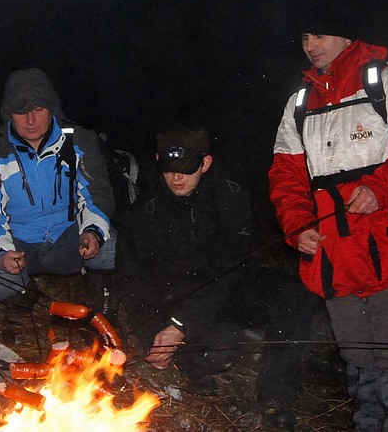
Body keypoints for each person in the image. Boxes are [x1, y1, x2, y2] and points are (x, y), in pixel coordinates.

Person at [269, 19, 388, 432]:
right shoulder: (299, 103)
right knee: (359, 366)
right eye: (304, 37)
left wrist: (380, 189)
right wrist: (298, 227)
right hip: (335, 258)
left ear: (347, 34)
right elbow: (285, 176)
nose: (310, 45)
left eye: (319, 34)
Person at [117, 126, 318, 432]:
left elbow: (229, 271)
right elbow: (134, 282)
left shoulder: (231, 197)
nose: (177, 177)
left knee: (294, 295)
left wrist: (181, 325)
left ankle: (276, 397)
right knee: (220, 349)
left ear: (205, 163)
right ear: (158, 161)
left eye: (187, 168)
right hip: (177, 297)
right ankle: (192, 366)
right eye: (169, 168)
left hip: (226, 289)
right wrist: (153, 335)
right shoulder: (142, 212)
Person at [0, 68, 116, 307]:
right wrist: (1, 255)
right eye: (21, 111)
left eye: (38, 109)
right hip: (20, 244)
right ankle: (25, 294)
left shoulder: (79, 142)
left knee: (110, 249)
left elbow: (97, 194)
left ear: (52, 109)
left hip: (69, 238)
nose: (30, 120)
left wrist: (92, 232)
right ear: (8, 114)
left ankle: (95, 291)